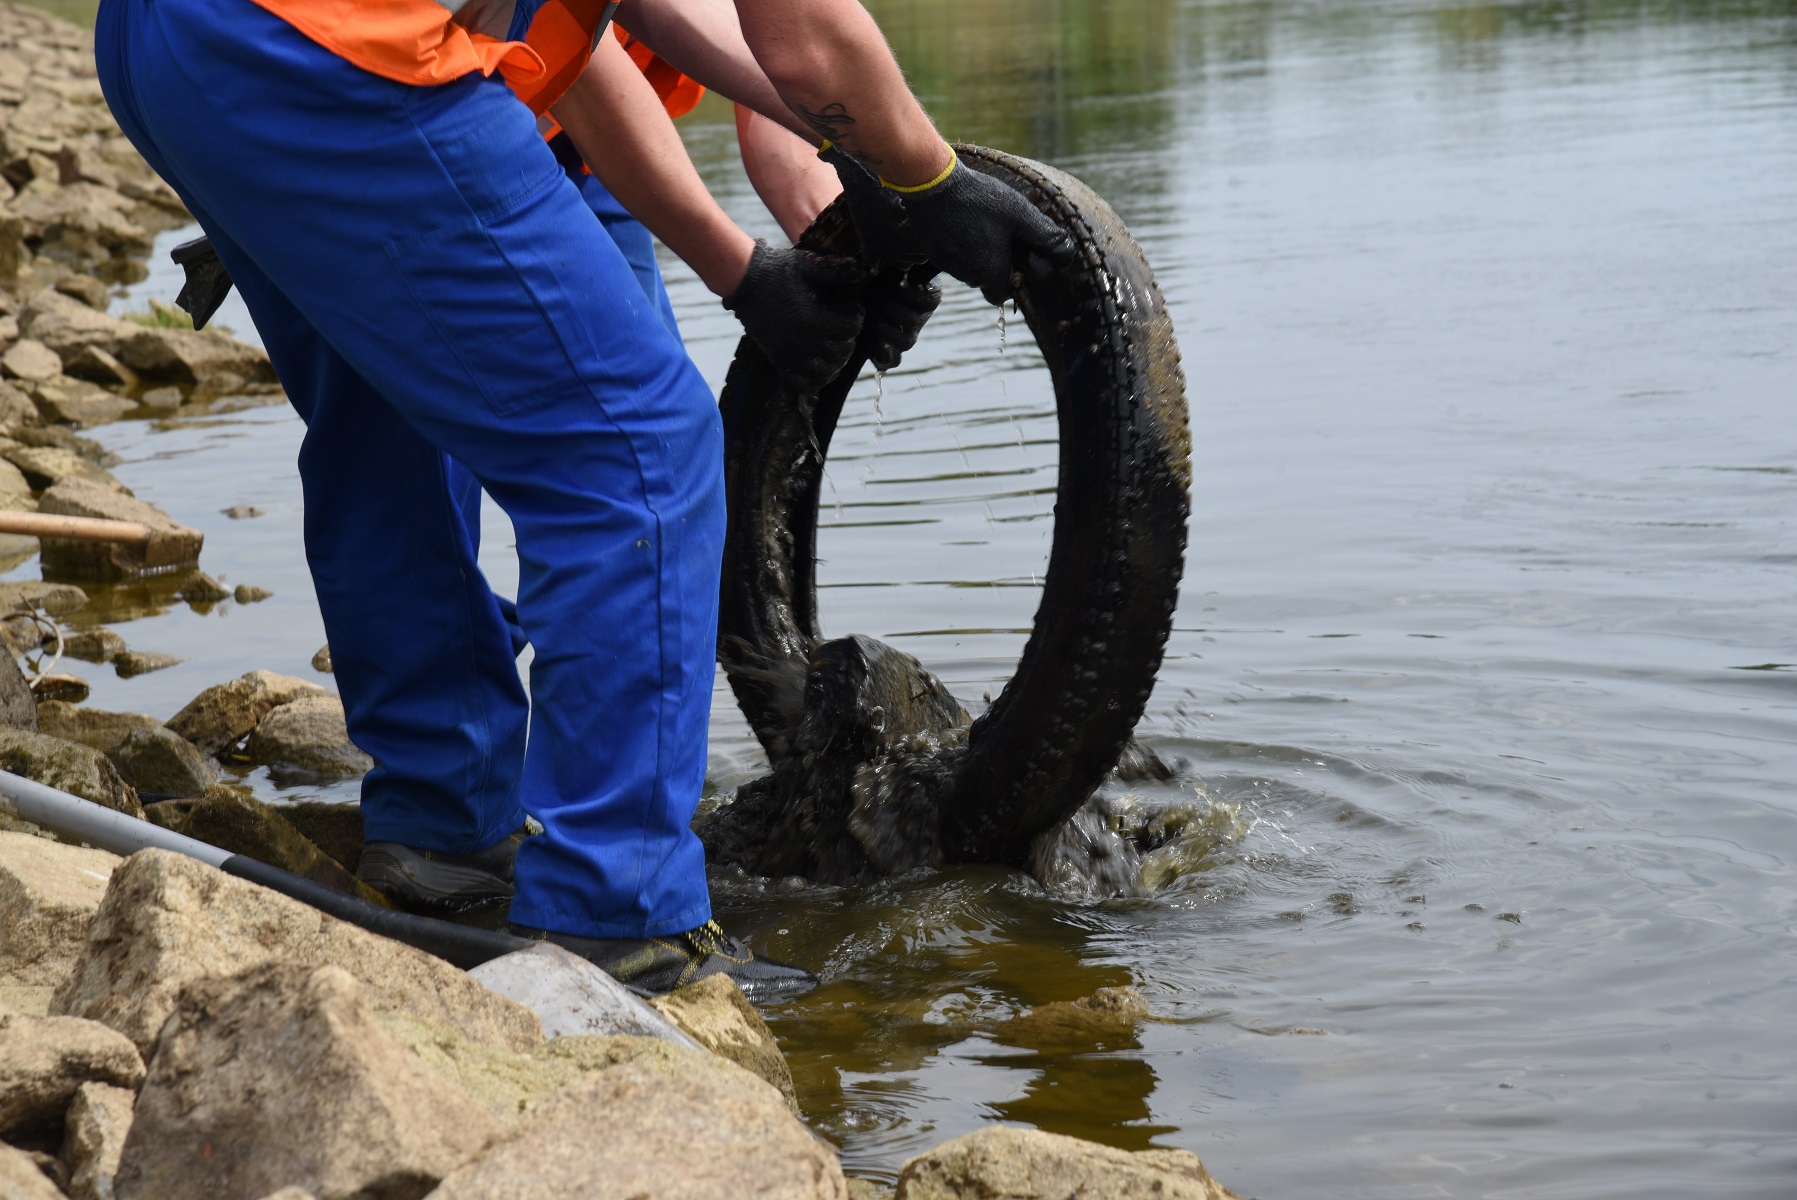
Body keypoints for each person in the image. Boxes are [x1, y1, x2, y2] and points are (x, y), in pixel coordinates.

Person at [94, 0, 1069, 998]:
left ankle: (447, 827)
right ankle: (617, 919)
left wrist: (758, 271)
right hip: (337, 54)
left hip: (179, 43)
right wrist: (930, 180)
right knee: (638, 455)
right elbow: (804, 39)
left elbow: (597, 43)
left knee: (386, 430)